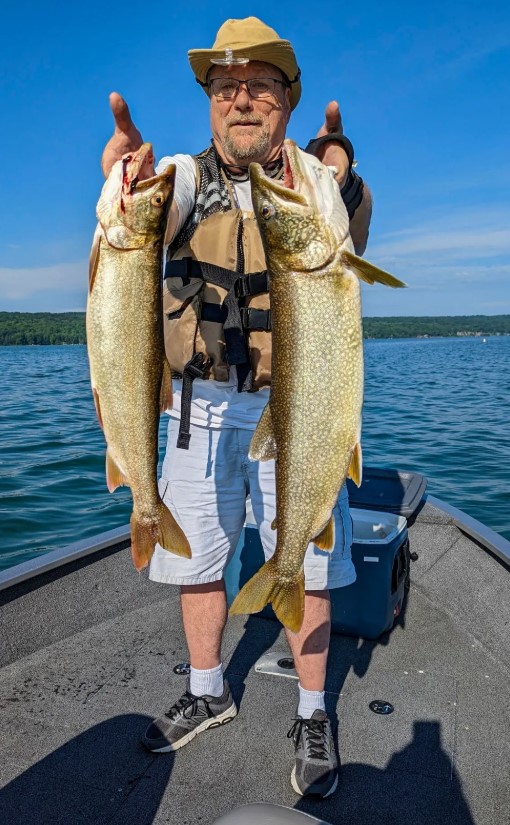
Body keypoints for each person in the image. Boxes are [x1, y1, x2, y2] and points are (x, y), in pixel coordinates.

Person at [101, 17, 372, 799]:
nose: (242, 100)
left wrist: (342, 160)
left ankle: (314, 709)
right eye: (227, 88)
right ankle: (209, 685)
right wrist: (122, 173)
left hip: (303, 401)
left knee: (310, 558)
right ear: (210, 103)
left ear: (288, 99)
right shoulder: (183, 178)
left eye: (259, 86)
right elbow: (147, 203)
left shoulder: (314, 186)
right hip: (198, 406)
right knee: (197, 560)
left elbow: (347, 210)